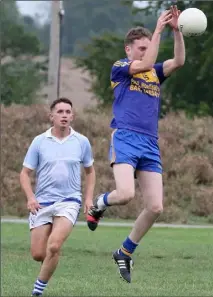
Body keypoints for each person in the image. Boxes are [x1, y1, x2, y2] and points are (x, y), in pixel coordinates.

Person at [86, 5, 185, 283]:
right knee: (126, 194)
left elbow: (178, 61)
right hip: (126, 136)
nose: (145, 52)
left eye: (147, 47)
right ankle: (99, 203)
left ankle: (125, 251)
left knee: (155, 207)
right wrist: (157, 30)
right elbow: (142, 64)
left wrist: (176, 32)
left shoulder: (154, 72)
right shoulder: (120, 68)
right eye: (140, 48)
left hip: (150, 143)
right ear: (128, 50)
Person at [20, 97, 95, 296]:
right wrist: (30, 198)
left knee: (54, 245)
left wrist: (88, 199)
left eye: (68, 112)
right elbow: (24, 174)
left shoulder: (81, 142)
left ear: (73, 116)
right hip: (42, 203)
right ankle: (51, 258)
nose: (64, 115)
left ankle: (37, 290)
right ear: (51, 116)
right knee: (38, 254)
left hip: (69, 201)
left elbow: (90, 171)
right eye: (60, 112)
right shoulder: (39, 141)